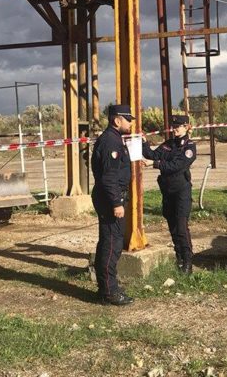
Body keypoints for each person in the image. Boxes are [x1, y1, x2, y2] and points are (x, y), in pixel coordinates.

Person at [142, 114, 198, 274]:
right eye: (174, 126)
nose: (175, 129)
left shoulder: (189, 147)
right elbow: (152, 155)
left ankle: (187, 262)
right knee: (172, 227)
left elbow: (177, 165)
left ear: (187, 127)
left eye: (179, 126)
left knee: (181, 227)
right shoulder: (168, 144)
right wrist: (144, 142)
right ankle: (179, 258)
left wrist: (156, 164)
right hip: (167, 191)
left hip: (181, 192)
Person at [92, 104, 135, 306]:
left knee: (108, 242)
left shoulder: (115, 138)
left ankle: (106, 288)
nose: (130, 122)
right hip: (110, 199)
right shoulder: (111, 141)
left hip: (110, 197)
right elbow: (109, 177)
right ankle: (109, 292)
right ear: (117, 120)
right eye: (128, 119)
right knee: (112, 244)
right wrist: (117, 203)